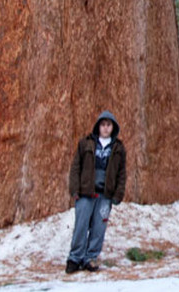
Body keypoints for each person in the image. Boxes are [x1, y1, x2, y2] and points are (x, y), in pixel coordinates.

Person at [66, 110, 127, 273]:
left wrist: (118, 195)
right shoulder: (86, 143)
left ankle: (90, 258)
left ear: (113, 128)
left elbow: (122, 173)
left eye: (109, 125)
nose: (106, 128)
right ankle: (74, 258)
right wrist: (74, 189)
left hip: (105, 195)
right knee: (81, 225)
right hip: (86, 192)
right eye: (103, 125)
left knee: (99, 228)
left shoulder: (118, 148)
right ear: (98, 126)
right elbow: (75, 167)